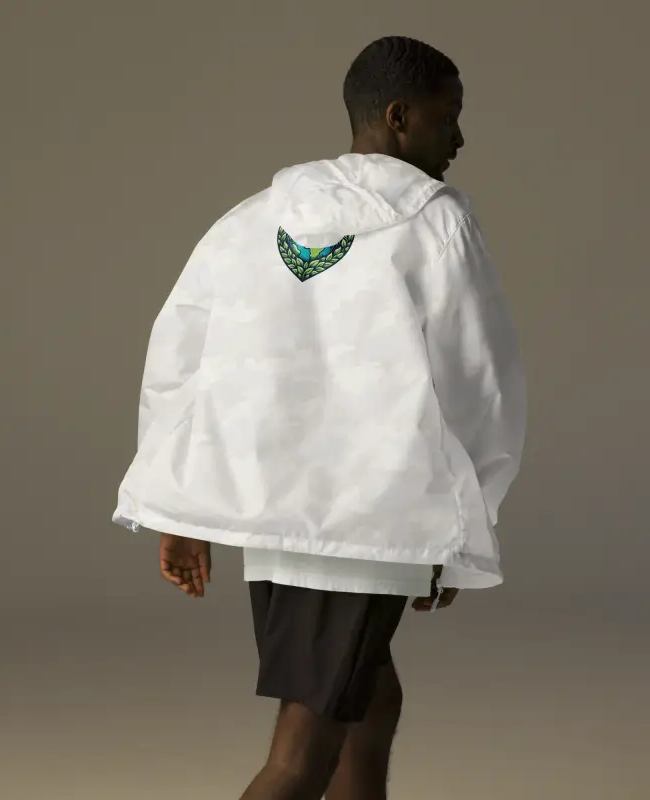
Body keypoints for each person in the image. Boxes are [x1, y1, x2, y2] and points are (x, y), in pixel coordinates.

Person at [113, 35, 526, 800]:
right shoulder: (436, 222)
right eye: (449, 116)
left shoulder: (252, 218)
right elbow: (478, 380)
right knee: (300, 756)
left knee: (370, 697)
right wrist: (465, 517)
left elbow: (181, 359)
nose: (460, 138)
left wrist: (179, 502)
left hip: (275, 518)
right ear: (399, 118)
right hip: (368, 519)